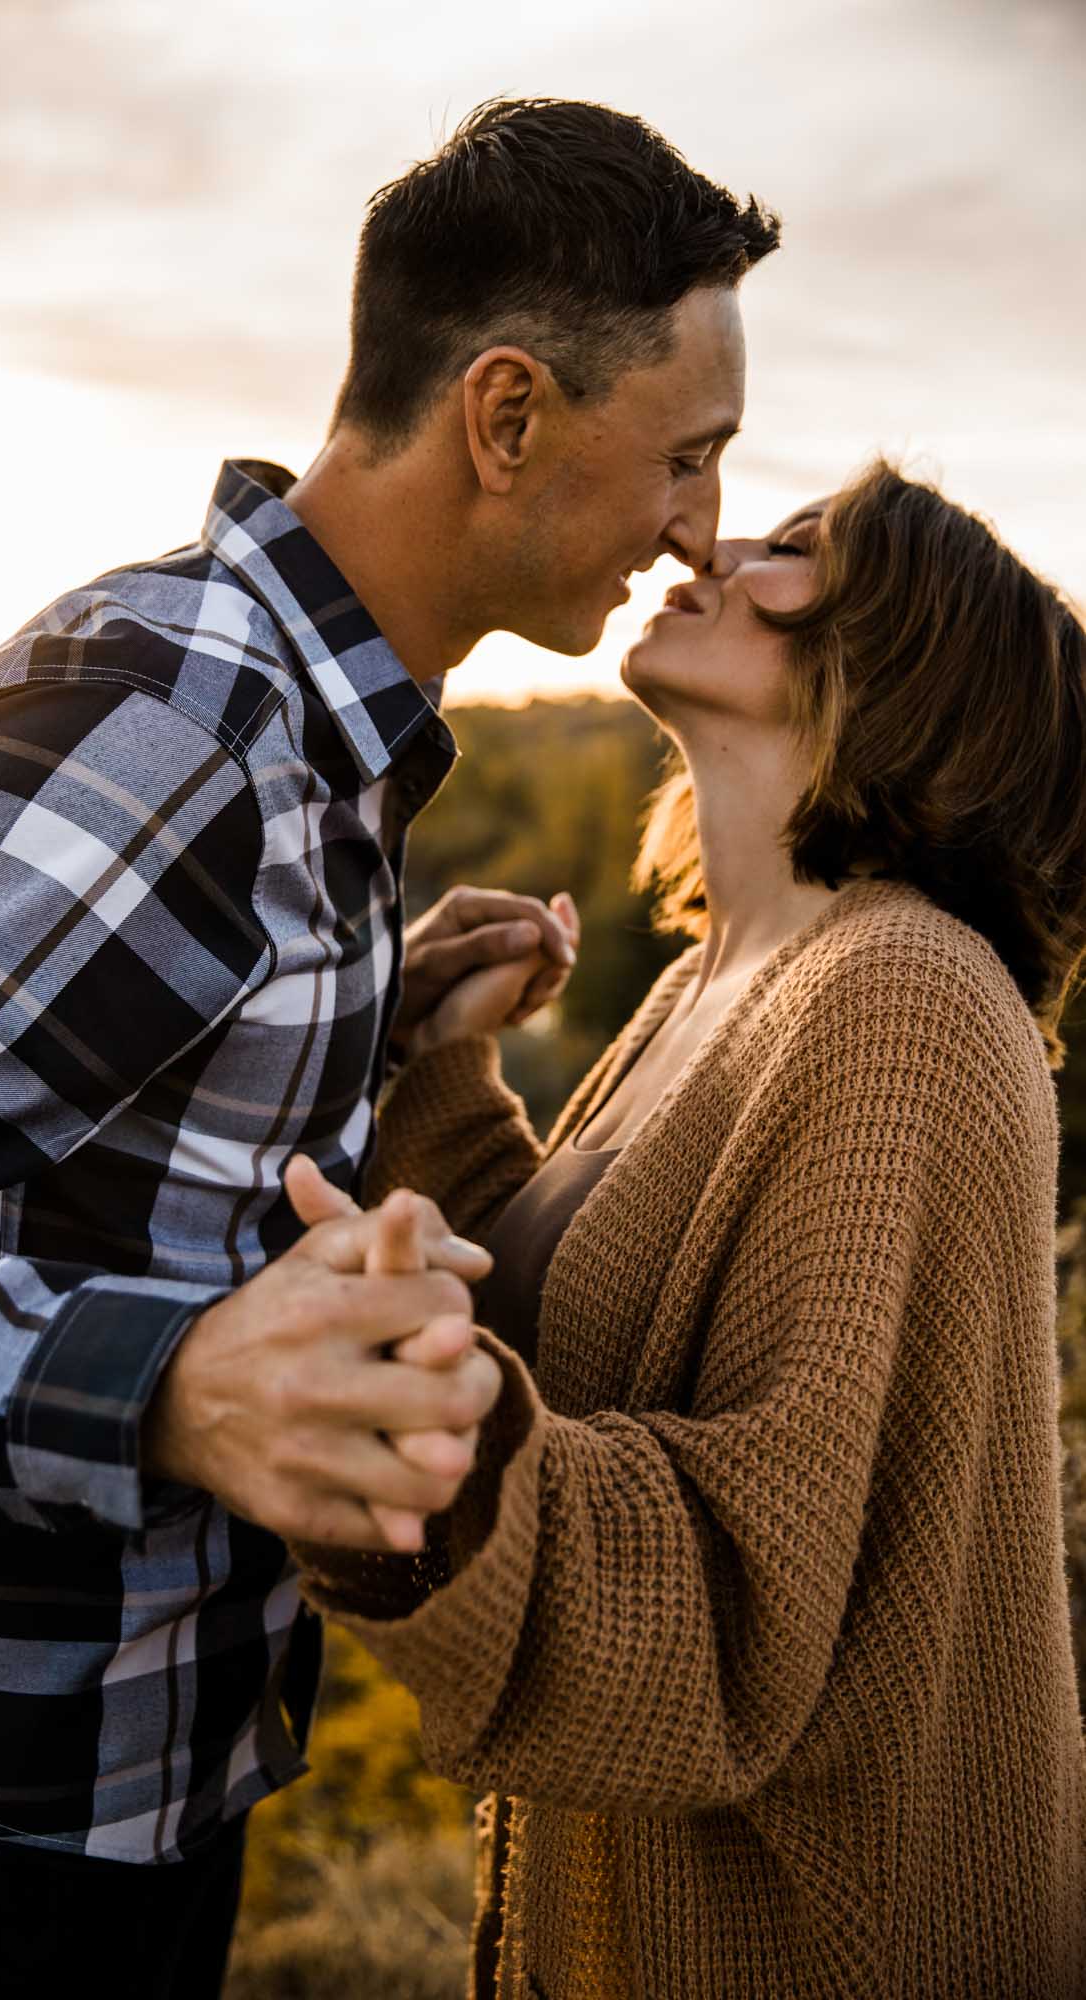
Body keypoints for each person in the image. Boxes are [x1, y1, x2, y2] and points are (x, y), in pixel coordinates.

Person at [0, 98, 780, 1996]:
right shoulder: (177, 722)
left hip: (121, 1800)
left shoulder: (314, 752)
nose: (699, 525)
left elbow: (89, 1128)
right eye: (687, 457)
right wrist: (165, 1390)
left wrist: (377, 1021)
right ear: (505, 416)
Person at [288, 462, 1086, 1998]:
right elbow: (568, 1340)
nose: (713, 545)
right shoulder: (703, 989)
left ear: (910, 657)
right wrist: (450, 1076)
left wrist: (400, 1440)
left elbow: (743, 1587)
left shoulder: (902, 997)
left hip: (818, 1943)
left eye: (796, 548)